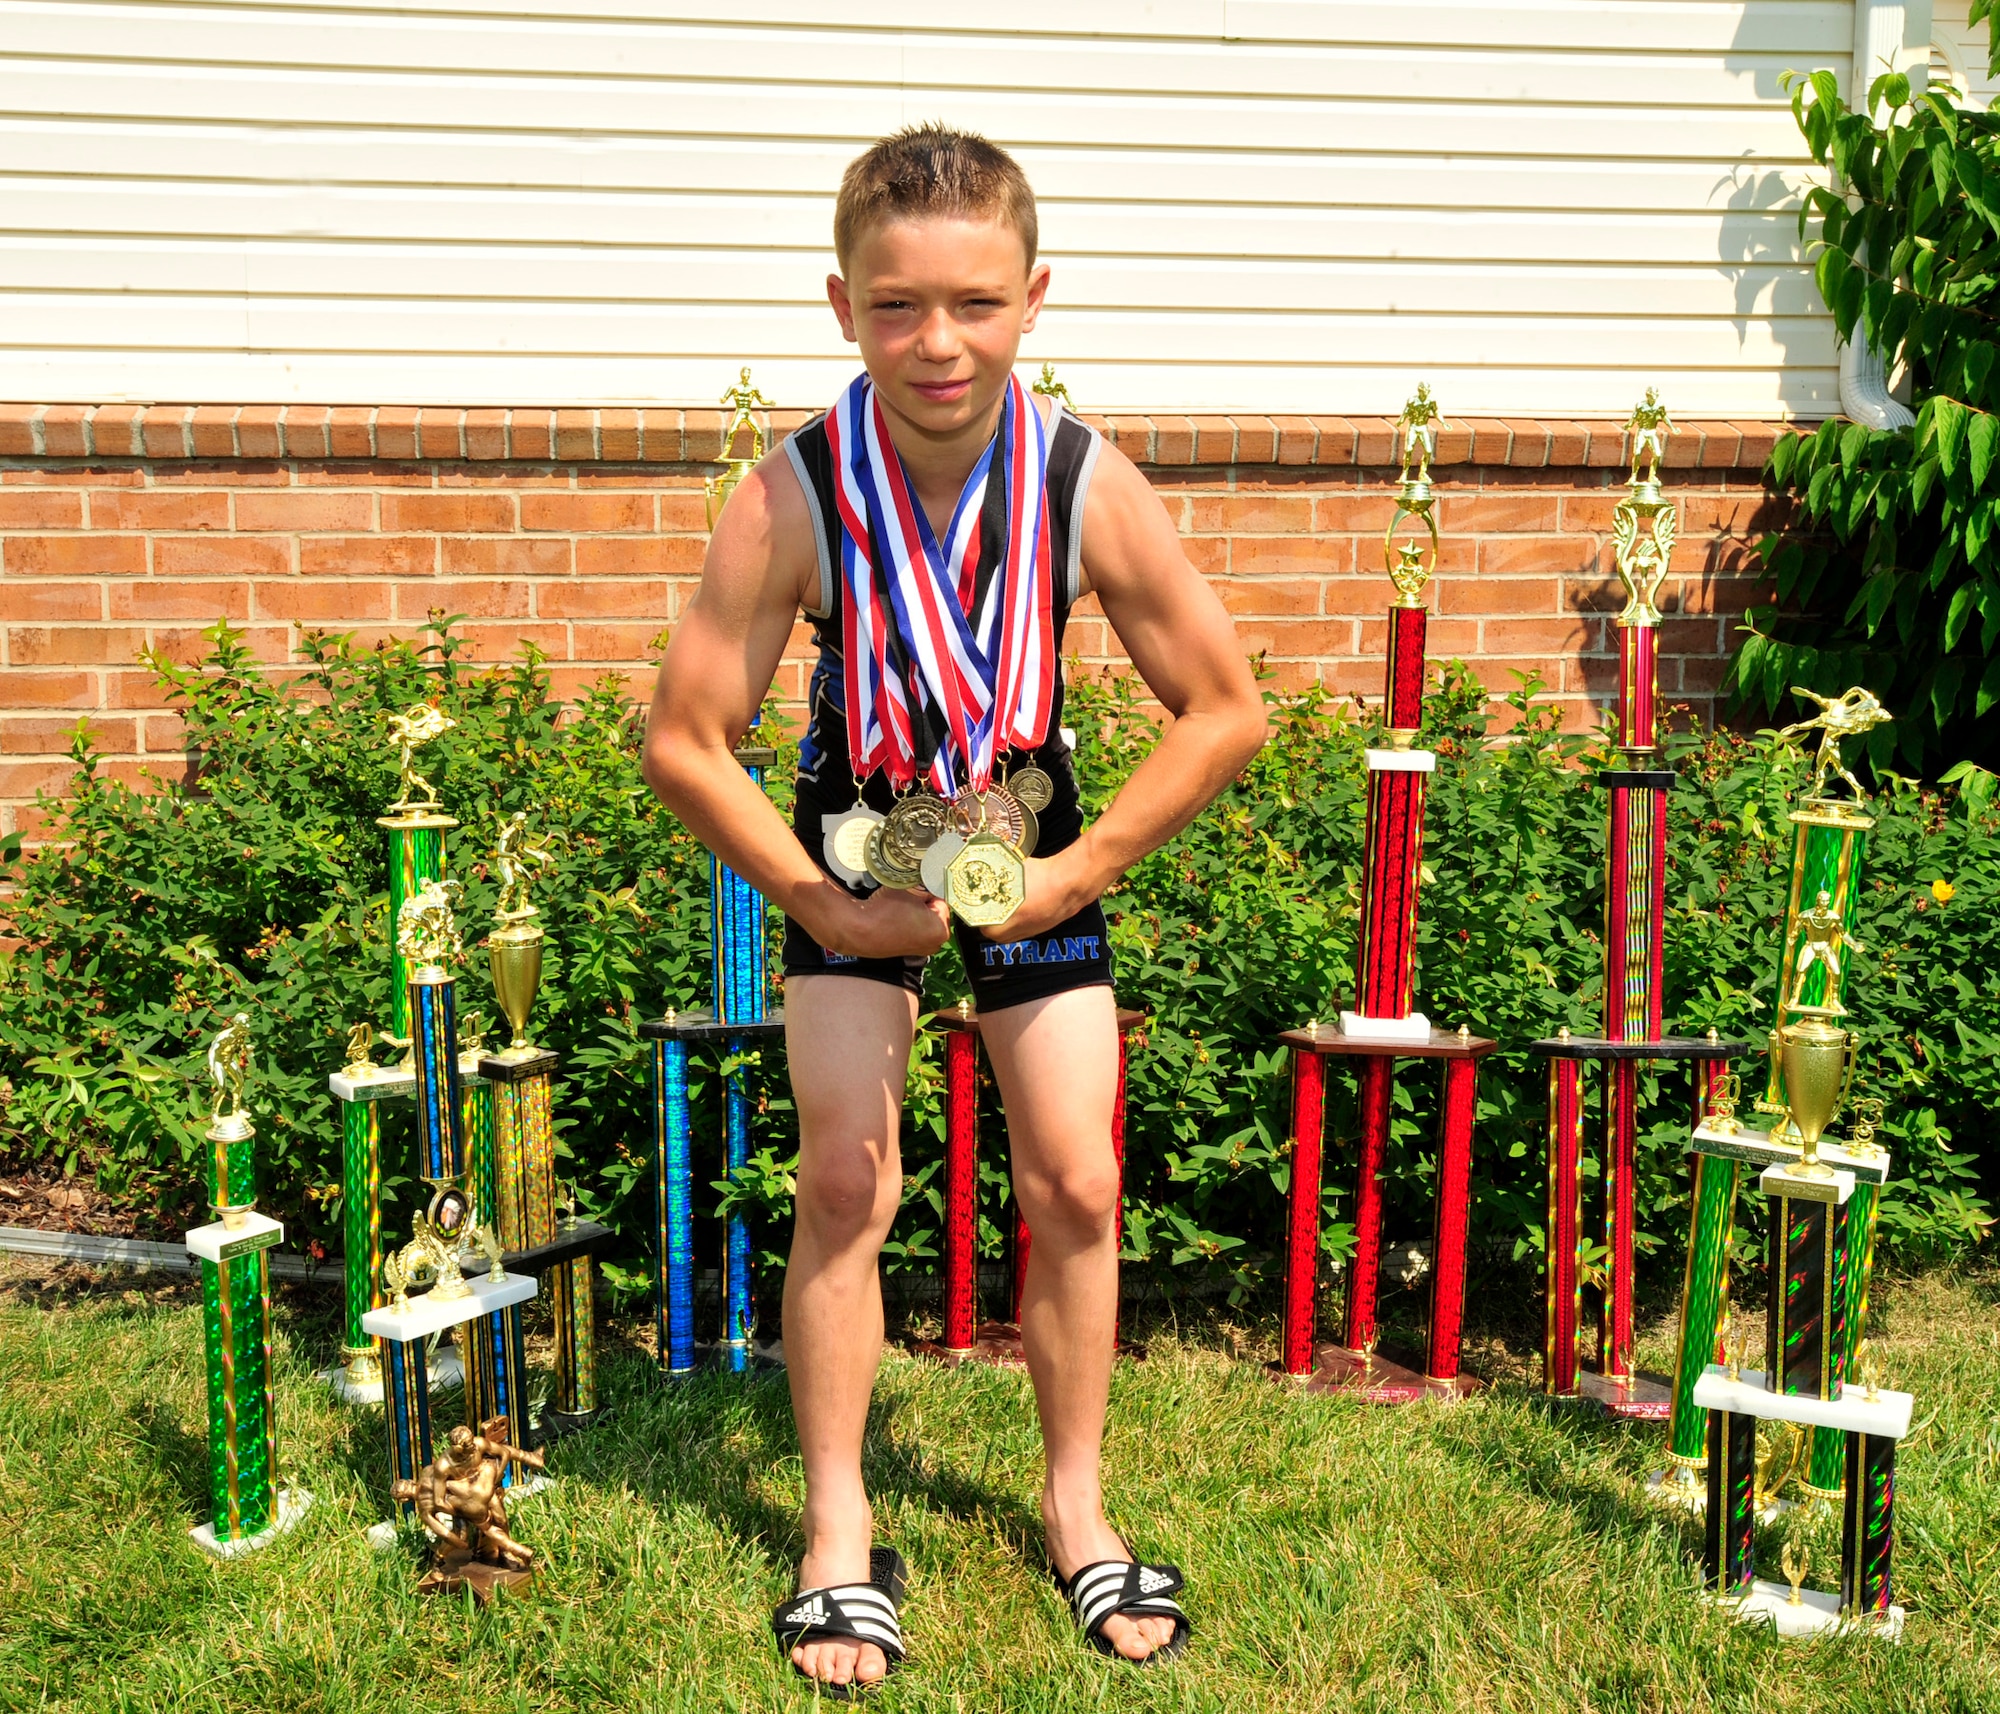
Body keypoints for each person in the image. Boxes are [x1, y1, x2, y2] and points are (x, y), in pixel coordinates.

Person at [642, 122, 1265, 1693]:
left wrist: (1077, 867)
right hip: (854, 835)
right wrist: (813, 896)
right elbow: (679, 736)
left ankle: (1076, 1506)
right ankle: (838, 1531)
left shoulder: (1079, 480)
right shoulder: (789, 494)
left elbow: (1225, 706)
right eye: (900, 303)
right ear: (840, 302)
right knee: (848, 1180)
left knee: (1076, 1180)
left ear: (1035, 296)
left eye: (976, 303)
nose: (939, 342)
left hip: (1022, 824)